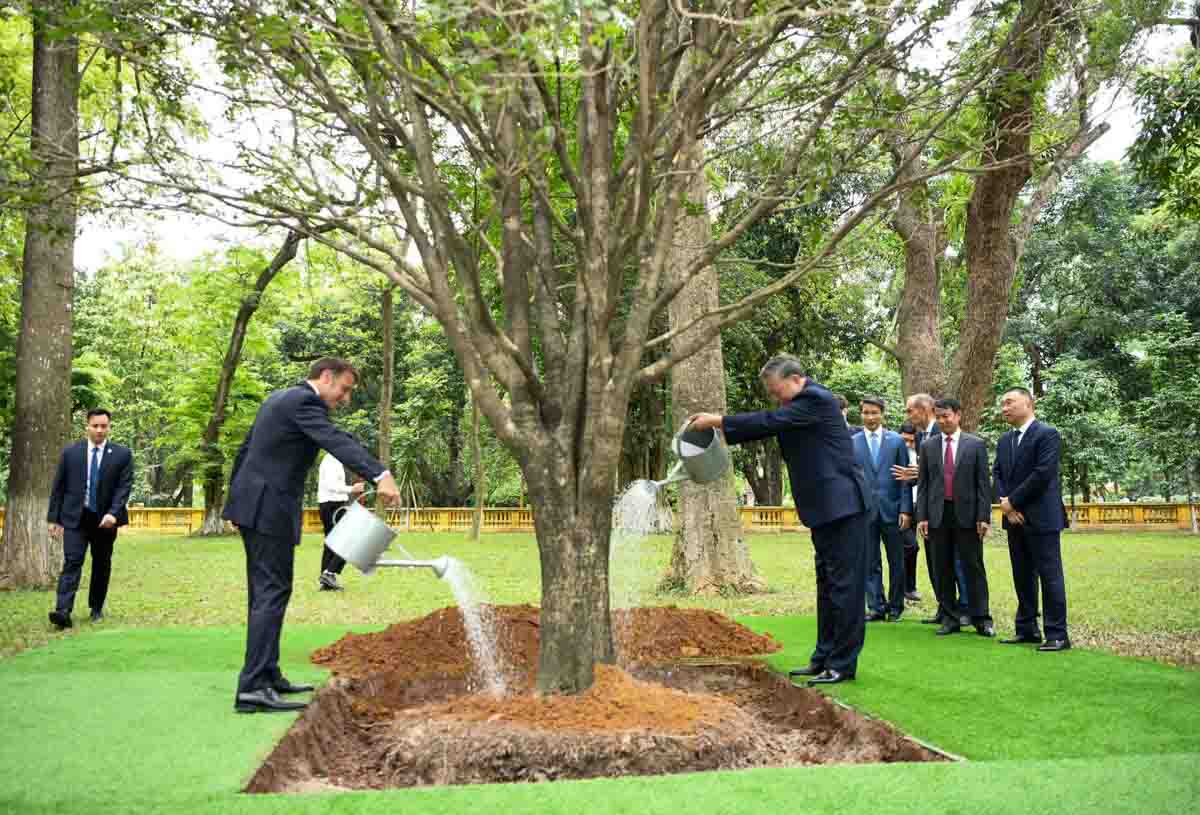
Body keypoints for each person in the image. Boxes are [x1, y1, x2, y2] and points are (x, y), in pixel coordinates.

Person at [223, 357, 401, 713]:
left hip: (255, 505)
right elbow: (334, 440)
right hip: (268, 508)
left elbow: (245, 449)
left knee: (266, 593)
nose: (345, 399)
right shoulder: (303, 402)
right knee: (271, 594)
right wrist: (380, 474)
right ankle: (253, 687)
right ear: (326, 377)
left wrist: (235, 504)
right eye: (344, 390)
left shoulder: (279, 399)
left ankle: (267, 673)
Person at [690, 355, 872, 686]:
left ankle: (842, 664)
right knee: (827, 586)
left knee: (845, 587)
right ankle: (823, 657)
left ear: (796, 379)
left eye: (777, 391)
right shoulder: (799, 405)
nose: (776, 398)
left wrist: (718, 421)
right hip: (824, 509)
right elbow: (774, 422)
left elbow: (770, 421)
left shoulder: (816, 399)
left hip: (844, 507)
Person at [994, 388, 1071, 652]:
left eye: (1009, 403)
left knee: (1050, 576)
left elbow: (1042, 474)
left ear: (1028, 403)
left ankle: (1057, 634)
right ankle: (1026, 629)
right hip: (1013, 519)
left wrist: (1013, 502)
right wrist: (1007, 507)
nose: (1004, 408)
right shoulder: (1005, 440)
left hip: (1042, 517)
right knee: (1022, 575)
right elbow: (997, 474)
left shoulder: (1047, 434)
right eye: (1002, 404)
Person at [46, 409, 134, 629]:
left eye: (104, 426)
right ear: (87, 426)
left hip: (105, 520)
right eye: (95, 426)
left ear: (109, 427)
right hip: (75, 518)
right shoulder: (70, 453)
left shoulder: (122, 455)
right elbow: (59, 487)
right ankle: (63, 611)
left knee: (101, 563)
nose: (99, 430)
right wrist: (54, 519)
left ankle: (96, 608)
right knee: (72, 561)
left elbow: (123, 488)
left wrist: (113, 513)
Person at [915, 398, 993, 637]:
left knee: (973, 566)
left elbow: (983, 484)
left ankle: (981, 618)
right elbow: (924, 484)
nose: (942, 421)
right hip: (937, 515)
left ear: (958, 415)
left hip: (968, 515)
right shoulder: (928, 446)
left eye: (946, 416)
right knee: (942, 567)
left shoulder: (975, 445)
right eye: (938, 417)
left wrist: (983, 516)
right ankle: (950, 617)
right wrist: (922, 516)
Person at [894, 393, 970, 624]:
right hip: (930, 511)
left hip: (952, 509)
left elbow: (952, 470)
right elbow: (925, 476)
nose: (907, 415)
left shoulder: (943, 431)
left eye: (910, 410)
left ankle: (965, 609)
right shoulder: (921, 437)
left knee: (956, 561)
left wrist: (919, 473)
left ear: (924, 410)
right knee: (935, 562)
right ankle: (945, 608)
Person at [855, 398, 912, 622]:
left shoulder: (896, 441)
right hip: (864, 511)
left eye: (874, 413)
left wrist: (906, 510)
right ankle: (876, 606)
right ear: (861, 414)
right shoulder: (853, 442)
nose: (870, 417)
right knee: (870, 561)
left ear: (882, 414)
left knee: (896, 561)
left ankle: (896, 606)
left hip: (893, 510)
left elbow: (905, 478)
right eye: (866, 413)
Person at [316, 453, 365, 591]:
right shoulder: (331, 461)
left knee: (331, 543)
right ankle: (329, 573)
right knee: (350, 539)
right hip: (332, 505)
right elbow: (331, 485)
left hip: (329, 504)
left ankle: (326, 581)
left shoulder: (334, 460)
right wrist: (352, 489)